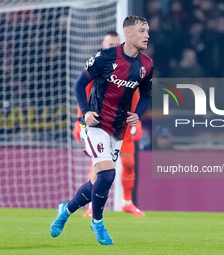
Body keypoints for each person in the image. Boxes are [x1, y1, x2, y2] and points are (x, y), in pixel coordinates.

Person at [50, 15, 153, 245]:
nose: (147, 35)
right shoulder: (105, 57)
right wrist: (85, 112)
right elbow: (79, 84)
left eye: (148, 31)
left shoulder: (147, 65)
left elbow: (146, 95)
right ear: (128, 33)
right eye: (143, 31)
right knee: (108, 174)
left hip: (119, 129)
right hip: (96, 124)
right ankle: (97, 222)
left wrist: (139, 114)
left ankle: (66, 210)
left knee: (97, 182)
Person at [73, 31, 145, 217]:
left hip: (122, 122)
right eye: (108, 44)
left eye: (115, 44)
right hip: (100, 121)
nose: (111, 47)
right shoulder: (98, 64)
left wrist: (138, 120)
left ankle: (127, 203)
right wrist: (80, 120)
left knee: (128, 162)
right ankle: (91, 207)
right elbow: (84, 90)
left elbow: (136, 94)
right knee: (98, 165)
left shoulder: (131, 66)